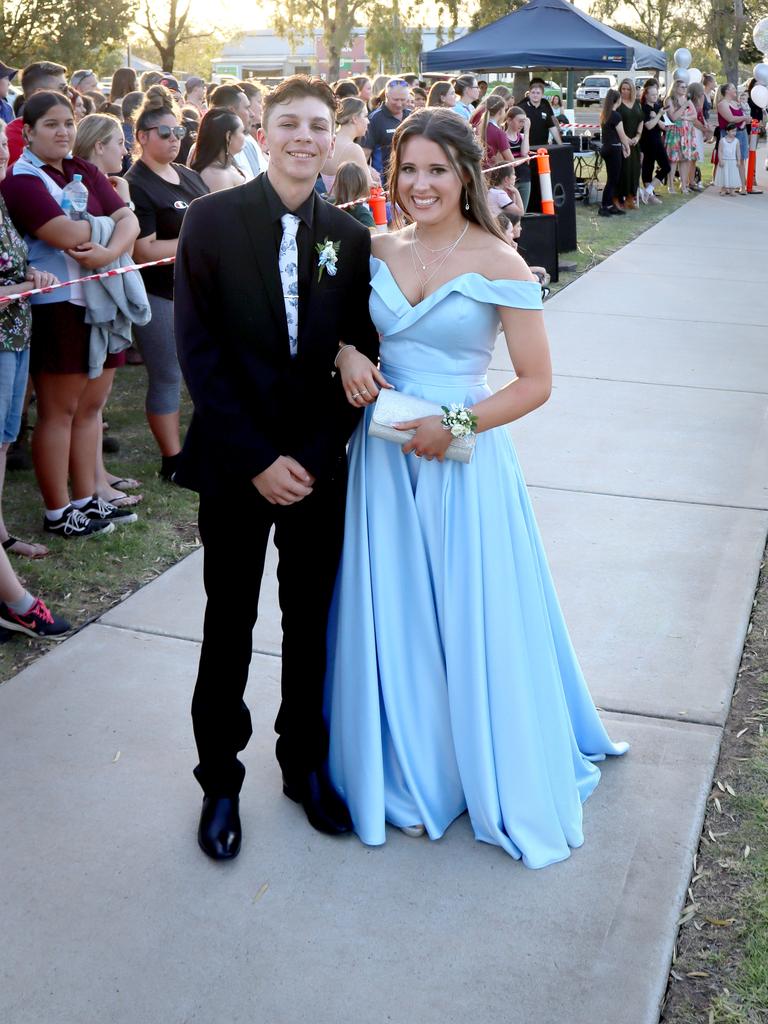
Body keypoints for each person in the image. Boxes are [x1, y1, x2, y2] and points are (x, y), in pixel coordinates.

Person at [328, 106, 627, 867]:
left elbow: (536, 383)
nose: (421, 185)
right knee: (398, 607)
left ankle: (480, 761)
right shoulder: (373, 247)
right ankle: (412, 761)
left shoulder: (499, 262)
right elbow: (343, 329)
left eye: (438, 170)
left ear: (467, 174)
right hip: (386, 459)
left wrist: (455, 424)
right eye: (409, 170)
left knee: (469, 608)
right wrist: (343, 356)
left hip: (463, 458)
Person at [173, 74, 379, 861]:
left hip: (319, 466)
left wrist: (318, 453)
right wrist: (259, 458)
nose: (303, 136)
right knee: (229, 623)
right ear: (264, 127)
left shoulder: (350, 237)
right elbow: (199, 353)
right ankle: (220, 780)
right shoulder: (210, 219)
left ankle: (304, 766)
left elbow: (361, 349)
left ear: (334, 138)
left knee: (310, 623)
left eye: (317, 125)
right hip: (236, 464)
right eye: (287, 122)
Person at [1, 92, 141, 538]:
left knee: (91, 409)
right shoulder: (21, 182)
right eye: (51, 124)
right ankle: (58, 511)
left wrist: (108, 249)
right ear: (28, 131)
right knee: (59, 412)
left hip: (102, 300)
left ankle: (86, 500)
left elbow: (130, 221)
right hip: (58, 305)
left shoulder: (84, 169)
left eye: (69, 123)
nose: (63, 132)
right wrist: (112, 228)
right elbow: (62, 233)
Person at [125, 86, 208, 482]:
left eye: (179, 132)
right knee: (167, 375)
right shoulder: (137, 183)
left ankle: (201, 446)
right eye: (165, 133)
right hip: (158, 292)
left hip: (197, 292)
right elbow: (143, 249)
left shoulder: (189, 176)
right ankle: (172, 461)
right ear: (142, 137)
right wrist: (197, 237)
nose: (175, 139)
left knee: (202, 370)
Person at [72, 112, 143, 510]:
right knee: (89, 404)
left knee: (98, 404)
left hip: (109, 299)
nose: (125, 149)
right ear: (99, 145)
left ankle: (99, 473)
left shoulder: (110, 185)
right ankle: (93, 483)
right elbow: (123, 240)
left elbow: (126, 232)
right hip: (90, 302)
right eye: (119, 141)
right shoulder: (80, 186)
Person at [0, 119, 58, 558]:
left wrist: (31, 275)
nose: (3, 152)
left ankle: (0, 533)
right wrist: (21, 288)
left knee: (4, 438)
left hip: (17, 336)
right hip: (3, 339)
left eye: (4, 144)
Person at [6, 61, 68, 166]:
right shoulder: (12, 139)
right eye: (64, 89)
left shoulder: (66, 132)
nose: (70, 94)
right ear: (39, 94)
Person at [321, 96, 377, 193]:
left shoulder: (328, 141)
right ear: (354, 119)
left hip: (330, 204)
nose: (368, 121)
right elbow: (369, 187)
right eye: (365, 116)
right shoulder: (353, 149)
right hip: (350, 206)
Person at [208, 83, 263, 179]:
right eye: (246, 108)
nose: (252, 114)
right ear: (231, 111)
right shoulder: (207, 152)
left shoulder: (249, 143)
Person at [362, 78, 412, 180]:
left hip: (408, 176)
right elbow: (364, 154)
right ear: (386, 96)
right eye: (395, 99)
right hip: (385, 181)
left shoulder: (412, 116)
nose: (399, 104)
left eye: (403, 100)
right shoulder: (375, 119)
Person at [189, 108, 246, 192]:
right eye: (242, 131)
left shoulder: (224, 165)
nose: (244, 137)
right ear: (228, 136)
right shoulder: (215, 175)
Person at [599, 89, 630, 216]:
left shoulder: (605, 114)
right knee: (613, 180)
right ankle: (604, 206)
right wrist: (627, 147)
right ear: (618, 100)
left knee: (611, 179)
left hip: (606, 148)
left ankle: (610, 205)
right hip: (614, 149)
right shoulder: (616, 116)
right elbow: (622, 136)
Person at [664, 79, 696, 195]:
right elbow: (673, 117)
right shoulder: (669, 100)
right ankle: (670, 186)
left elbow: (694, 115)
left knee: (684, 160)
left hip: (686, 132)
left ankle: (684, 186)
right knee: (673, 160)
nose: (684, 89)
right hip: (675, 132)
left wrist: (685, 118)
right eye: (682, 87)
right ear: (675, 88)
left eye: (685, 87)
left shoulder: (686, 100)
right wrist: (684, 108)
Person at [638, 79, 668, 204]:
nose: (655, 97)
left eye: (657, 95)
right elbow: (648, 126)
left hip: (657, 141)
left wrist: (656, 116)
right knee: (647, 170)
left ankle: (648, 191)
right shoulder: (643, 108)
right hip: (646, 142)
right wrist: (656, 116)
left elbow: (664, 126)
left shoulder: (657, 107)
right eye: (653, 95)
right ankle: (649, 196)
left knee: (666, 167)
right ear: (646, 95)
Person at [716, 83, 748, 194]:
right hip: (728, 134)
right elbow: (731, 118)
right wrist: (744, 117)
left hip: (741, 133)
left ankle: (742, 186)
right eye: (733, 88)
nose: (736, 90)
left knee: (741, 160)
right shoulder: (722, 104)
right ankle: (725, 186)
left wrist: (746, 117)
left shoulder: (735, 103)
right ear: (727, 91)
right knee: (728, 160)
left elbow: (743, 113)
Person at [616, 78, 643, 209]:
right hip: (622, 142)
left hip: (635, 143)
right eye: (623, 89)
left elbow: (641, 120)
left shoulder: (637, 103)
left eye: (628, 89)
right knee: (623, 171)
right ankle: (617, 198)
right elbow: (615, 123)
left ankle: (630, 198)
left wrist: (638, 136)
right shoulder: (618, 104)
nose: (625, 91)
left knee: (634, 171)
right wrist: (625, 139)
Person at [329, 160, 376, 228]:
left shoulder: (327, 205)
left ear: (337, 185)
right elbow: (372, 237)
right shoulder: (362, 213)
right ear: (363, 187)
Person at [520, 78, 562, 146]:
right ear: (529, 94)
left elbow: (552, 127)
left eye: (538, 93)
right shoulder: (522, 108)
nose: (535, 95)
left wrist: (561, 145)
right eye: (533, 92)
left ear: (542, 95)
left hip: (543, 148)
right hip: (526, 148)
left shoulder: (545, 108)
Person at [505, 105, 531, 210]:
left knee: (522, 211)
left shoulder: (522, 137)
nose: (522, 124)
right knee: (511, 212)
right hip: (510, 178)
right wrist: (524, 159)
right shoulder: (503, 137)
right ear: (509, 120)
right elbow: (509, 161)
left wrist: (526, 131)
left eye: (524, 121)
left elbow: (525, 152)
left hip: (524, 177)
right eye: (519, 121)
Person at [480, 95, 514, 167]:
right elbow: (511, 161)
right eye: (505, 110)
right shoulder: (498, 132)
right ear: (500, 111)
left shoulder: (479, 127)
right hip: (493, 173)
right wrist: (524, 159)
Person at [714, 123, 741, 195]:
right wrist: (720, 160)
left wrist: (738, 160)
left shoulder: (736, 141)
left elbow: (738, 152)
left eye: (735, 131)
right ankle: (723, 189)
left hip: (733, 161)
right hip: (724, 160)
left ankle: (732, 190)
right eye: (732, 131)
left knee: (732, 175)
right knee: (724, 174)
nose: (734, 133)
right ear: (727, 131)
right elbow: (720, 151)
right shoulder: (722, 140)